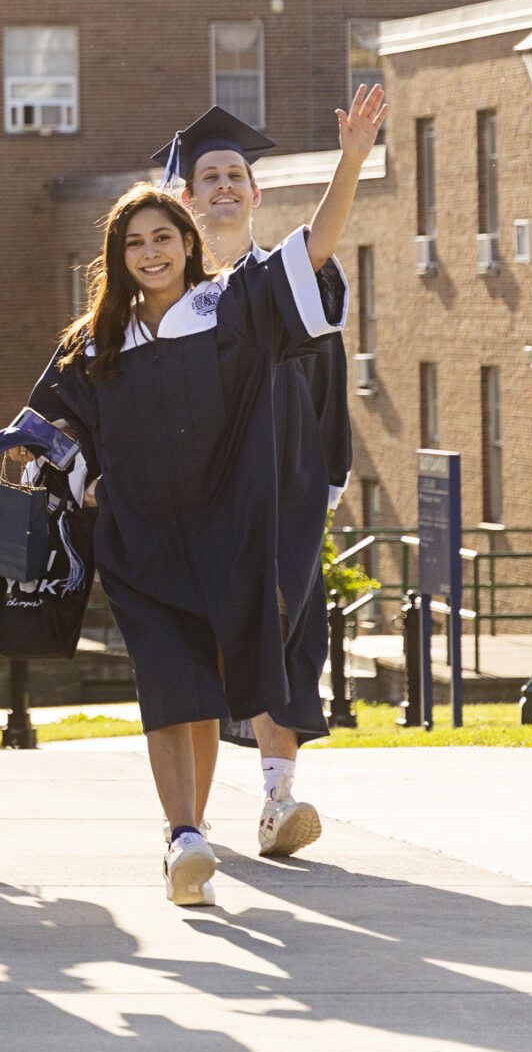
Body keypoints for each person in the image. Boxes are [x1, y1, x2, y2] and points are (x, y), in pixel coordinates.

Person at [21, 86, 383, 908]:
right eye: (135, 242)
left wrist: (351, 163)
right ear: (117, 258)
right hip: (141, 541)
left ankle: (227, 813)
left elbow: (313, 250)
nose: (151, 252)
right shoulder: (96, 343)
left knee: (205, 688)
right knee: (166, 686)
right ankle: (183, 836)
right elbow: (47, 430)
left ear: (187, 243)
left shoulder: (234, 306)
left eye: (163, 239)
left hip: (225, 531)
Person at [175, 106, 349, 860]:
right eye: (208, 177)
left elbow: (328, 378)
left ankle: (279, 798)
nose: (223, 187)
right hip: (193, 494)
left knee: (283, 625)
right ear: (185, 198)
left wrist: (330, 472)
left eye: (235, 176)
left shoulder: (284, 274)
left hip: (283, 483)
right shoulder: (166, 289)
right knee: (199, 646)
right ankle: (192, 816)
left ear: (255, 193)